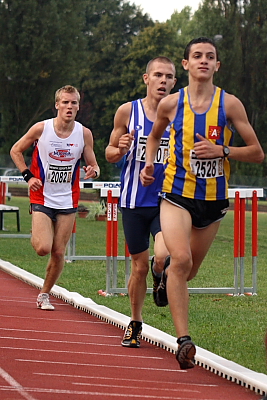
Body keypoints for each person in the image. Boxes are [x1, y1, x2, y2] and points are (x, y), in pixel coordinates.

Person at [140, 37, 264, 369]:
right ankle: (184, 341)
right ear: (186, 64)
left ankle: (162, 272)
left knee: (188, 270)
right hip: (176, 194)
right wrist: (150, 162)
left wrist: (222, 150)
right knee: (180, 260)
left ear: (217, 65)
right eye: (197, 56)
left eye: (210, 56)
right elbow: (154, 135)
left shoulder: (230, 105)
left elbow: (257, 153)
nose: (204, 61)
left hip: (212, 201)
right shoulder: (171, 104)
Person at [105, 57, 177, 347]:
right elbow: (109, 153)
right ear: (146, 78)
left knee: (161, 255)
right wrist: (120, 148)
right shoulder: (127, 112)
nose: (163, 81)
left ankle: (161, 274)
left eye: (169, 76)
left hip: (166, 201)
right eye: (157, 75)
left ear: (174, 82)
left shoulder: (179, 114)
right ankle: (135, 322)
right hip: (134, 202)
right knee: (138, 267)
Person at [10, 85, 100, 310]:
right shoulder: (42, 129)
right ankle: (38, 231)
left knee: (59, 252)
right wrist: (28, 176)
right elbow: (15, 150)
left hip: (68, 200)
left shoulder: (84, 133)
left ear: (78, 107)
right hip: (41, 196)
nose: (70, 107)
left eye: (74, 103)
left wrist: (93, 171)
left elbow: (94, 164)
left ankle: (44, 294)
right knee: (43, 248)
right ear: (57, 105)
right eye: (66, 102)